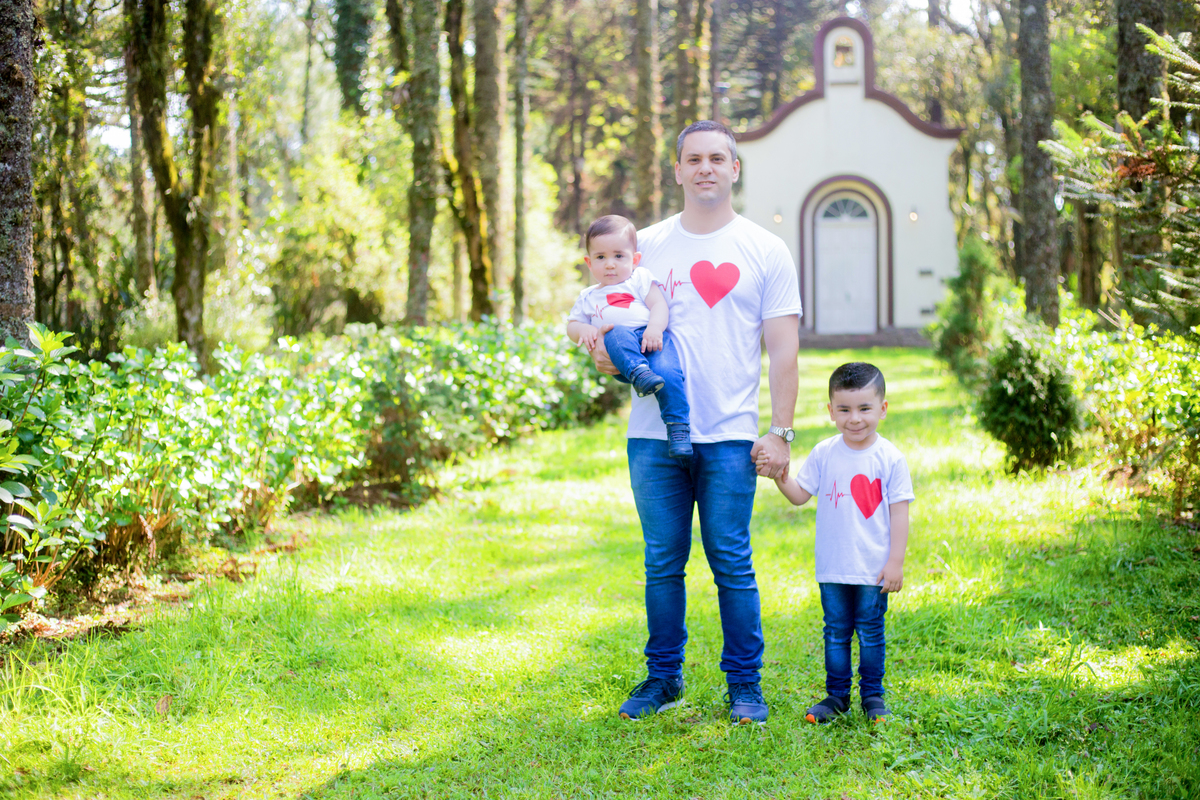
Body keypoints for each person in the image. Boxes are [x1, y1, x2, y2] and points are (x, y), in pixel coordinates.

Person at [590, 120, 801, 724]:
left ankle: (745, 686)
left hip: (732, 433)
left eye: (718, 158)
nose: (706, 167)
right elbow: (611, 326)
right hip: (653, 435)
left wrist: (780, 432)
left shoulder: (765, 249)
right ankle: (663, 679)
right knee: (662, 561)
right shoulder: (645, 247)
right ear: (677, 171)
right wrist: (607, 355)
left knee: (731, 559)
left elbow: (784, 351)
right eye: (693, 159)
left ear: (735, 169)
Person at [764, 362, 913, 723]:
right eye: (844, 409)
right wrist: (781, 477)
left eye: (864, 408)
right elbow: (800, 495)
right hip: (833, 566)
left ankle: (873, 697)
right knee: (835, 632)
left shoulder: (889, 457)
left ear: (882, 408)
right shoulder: (825, 452)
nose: (855, 418)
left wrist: (895, 562)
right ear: (831, 411)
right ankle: (836, 696)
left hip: (873, 568)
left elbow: (899, 513)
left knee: (871, 632)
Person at [567, 215, 692, 459]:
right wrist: (584, 330)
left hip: (651, 340)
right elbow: (572, 325)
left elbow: (658, 305)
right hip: (622, 355)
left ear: (634, 260)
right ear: (589, 263)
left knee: (668, 373)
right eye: (601, 257)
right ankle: (640, 374)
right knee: (616, 331)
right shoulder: (588, 296)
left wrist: (655, 328)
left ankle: (678, 430)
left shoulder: (639, 279)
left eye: (619, 256)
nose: (610, 264)